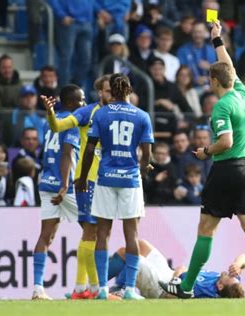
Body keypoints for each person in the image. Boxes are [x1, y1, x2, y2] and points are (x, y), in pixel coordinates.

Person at [161, 21, 245, 299]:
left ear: (214, 82)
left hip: (226, 168)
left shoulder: (221, 107)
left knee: (206, 229)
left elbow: (224, 142)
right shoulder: (243, 94)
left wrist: (205, 151)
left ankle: (187, 287)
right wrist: (217, 40)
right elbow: (229, 67)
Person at [76, 73, 154, 300]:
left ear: (112, 89)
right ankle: (129, 289)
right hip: (130, 179)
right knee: (132, 234)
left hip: (105, 178)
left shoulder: (101, 114)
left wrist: (82, 177)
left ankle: (101, 289)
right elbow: (146, 152)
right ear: (129, 89)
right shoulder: (141, 116)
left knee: (103, 233)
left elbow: (90, 148)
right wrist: (143, 169)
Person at [41, 75, 111, 299]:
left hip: (108, 179)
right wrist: (51, 112)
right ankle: (96, 289)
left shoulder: (122, 113)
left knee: (97, 234)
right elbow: (59, 126)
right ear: (100, 91)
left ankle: (81, 289)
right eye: (108, 90)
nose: (112, 94)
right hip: (87, 179)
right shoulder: (86, 112)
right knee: (93, 232)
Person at [31, 84, 82, 300]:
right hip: (65, 185)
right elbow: (67, 154)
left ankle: (38, 288)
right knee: (96, 230)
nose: (84, 103)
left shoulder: (47, 122)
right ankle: (91, 287)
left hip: (46, 182)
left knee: (47, 235)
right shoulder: (71, 123)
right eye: (81, 100)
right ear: (70, 103)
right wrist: (65, 184)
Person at [108, 239, 245, 299]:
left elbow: (172, 297)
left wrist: (177, 275)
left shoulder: (206, 292)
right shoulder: (229, 283)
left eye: (230, 276)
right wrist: (238, 264)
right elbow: (243, 256)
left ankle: (96, 284)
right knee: (141, 244)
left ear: (220, 286)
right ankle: (107, 285)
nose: (230, 273)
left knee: (129, 254)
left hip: (162, 287)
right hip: (168, 272)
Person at [48, 0, 94, 88]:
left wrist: (95, 13)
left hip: (86, 22)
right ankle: (63, 88)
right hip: (69, 22)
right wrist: (62, 15)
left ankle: (75, 86)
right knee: (66, 58)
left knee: (86, 60)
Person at [177, 21, 216, 87]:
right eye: (195, 32)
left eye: (200, 32)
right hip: (190, 88)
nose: (197, 35)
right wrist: (195, 79)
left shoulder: (212, 50)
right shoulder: (182, 51)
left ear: (205, 33)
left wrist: (210, 67)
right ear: (191, 33)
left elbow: (219, 73)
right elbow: (180, 73)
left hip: (210, 88)